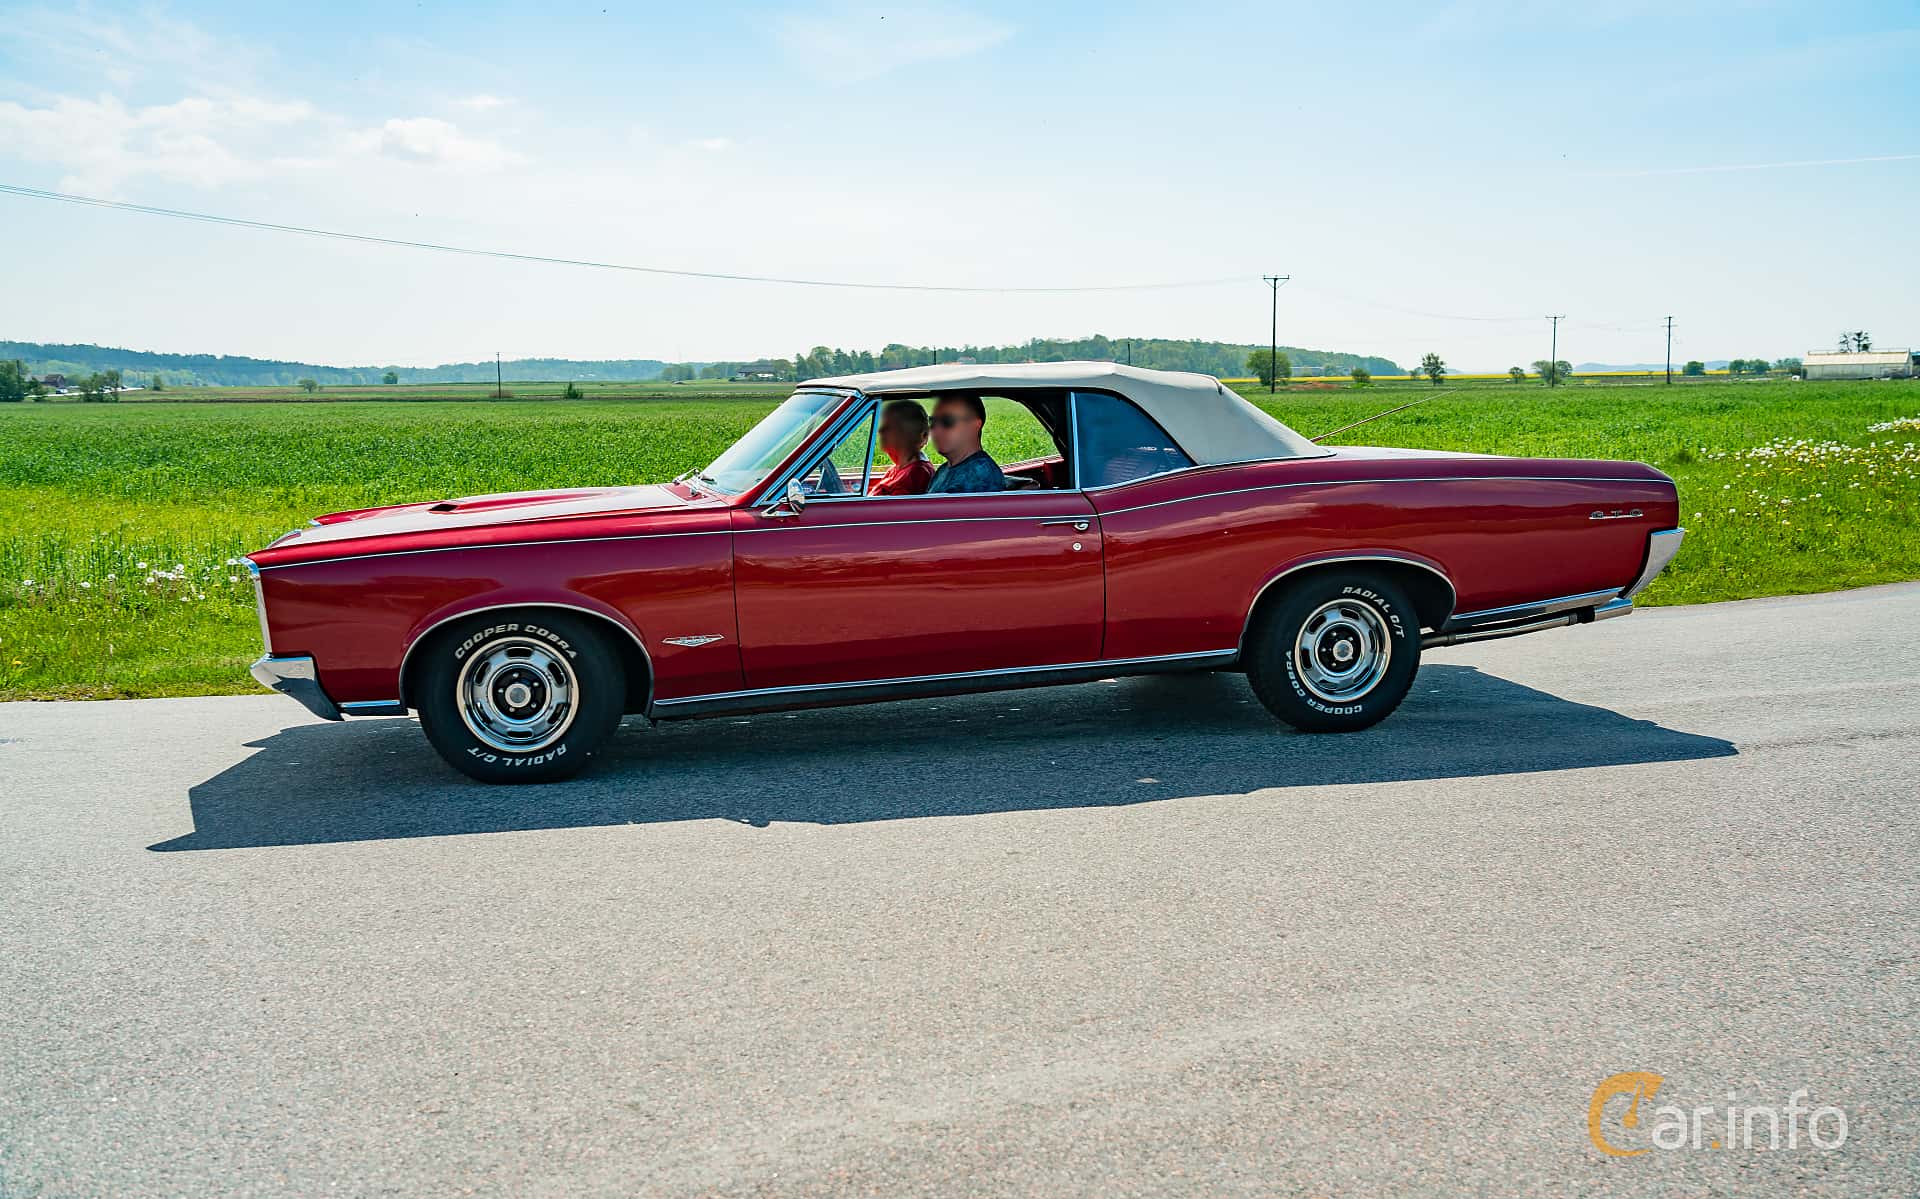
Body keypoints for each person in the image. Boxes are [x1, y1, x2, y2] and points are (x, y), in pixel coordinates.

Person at [925, 395, 1005, 494]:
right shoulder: (944, 470)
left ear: (974, 426)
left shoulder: (980, 477)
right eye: (932, 422)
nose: (936, 430)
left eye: (947, 421)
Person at [868, 399, 936, 495]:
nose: (881, 430)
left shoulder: (917, 474)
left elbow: (895, 508)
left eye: (891, 427)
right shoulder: (897, 468)